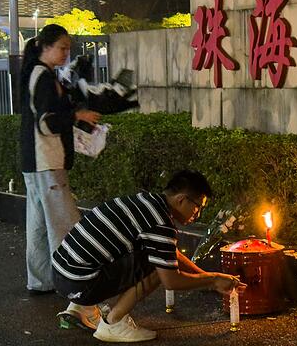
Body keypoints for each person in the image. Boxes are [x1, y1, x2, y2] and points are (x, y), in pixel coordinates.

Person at [51, 170, 246, 343]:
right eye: (198, 207)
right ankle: (113, 323)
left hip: (63, 273)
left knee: (157, 256)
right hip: (80, 283)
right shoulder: (160, 222)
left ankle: (81, 307)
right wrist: (213, 280)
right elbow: (171, 280)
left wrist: (204, 274)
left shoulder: (147, 201)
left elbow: (171, 253)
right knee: (156, 265)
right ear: (181, 199)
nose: (198, 215)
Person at [19, 24, 102, 318]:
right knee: (65, 225)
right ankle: (75, 290)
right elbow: (46, 122)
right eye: (63, 47)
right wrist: (77, 115)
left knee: (40, 224)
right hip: (46, 160)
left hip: (35, 161)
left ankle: (40, 281)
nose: (68, 53)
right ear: (46, 46)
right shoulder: (42, 75)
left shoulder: (39, 72)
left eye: (69, 48)